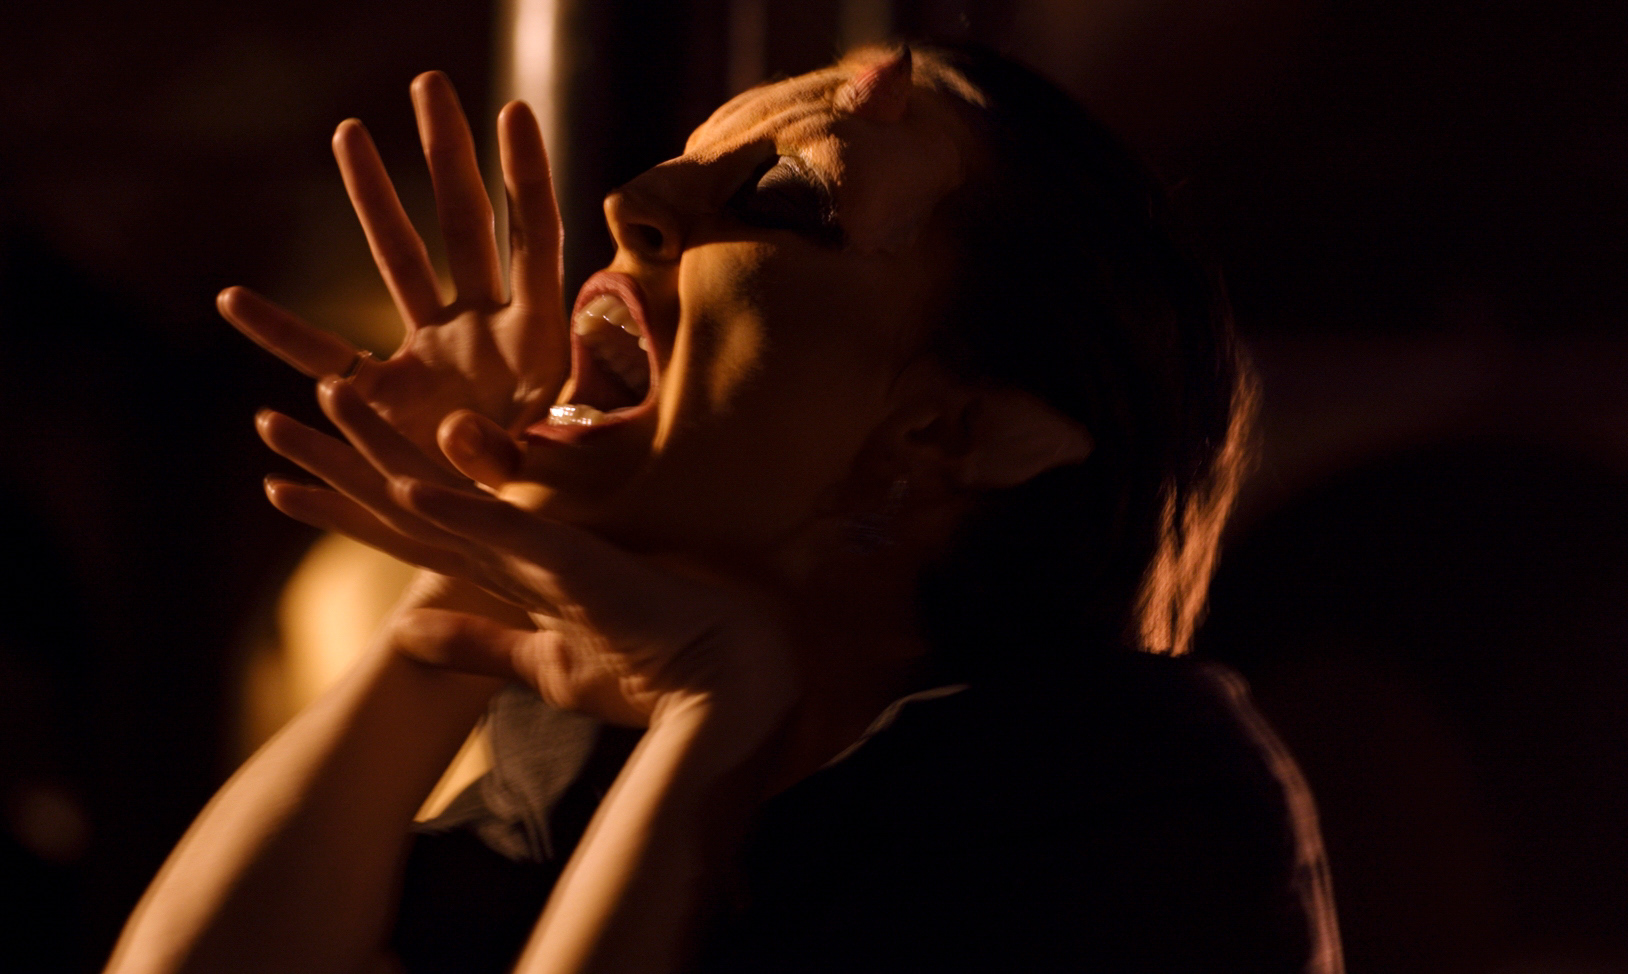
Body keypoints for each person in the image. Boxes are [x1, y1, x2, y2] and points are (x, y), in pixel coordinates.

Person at [105, 43, 1340, 974]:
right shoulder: (588, 742)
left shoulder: (1130, 795)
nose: (636, 201)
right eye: (692, 156)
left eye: (792, 196)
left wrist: (717, 708)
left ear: (946, 434)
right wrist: (458, 599)